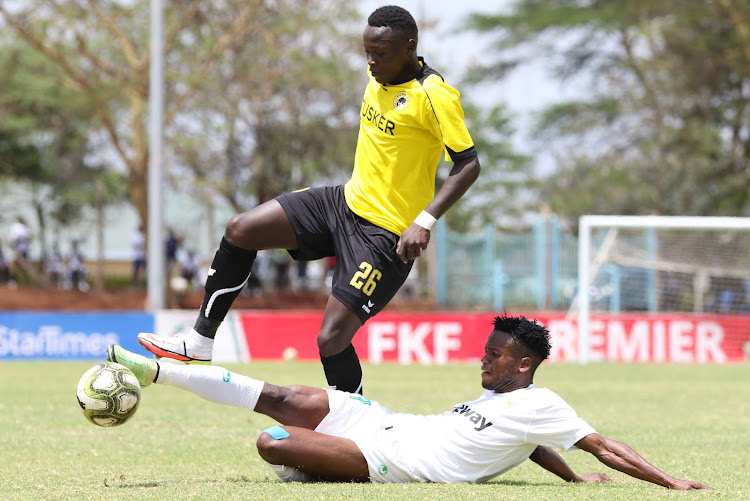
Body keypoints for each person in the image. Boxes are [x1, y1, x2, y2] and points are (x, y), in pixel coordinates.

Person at [137, 5, 481, 394]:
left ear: (409, 48)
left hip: (384, 235)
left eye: (380, 53)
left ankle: (359, 432)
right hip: (343, 203)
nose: (371, 61)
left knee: (330, 340)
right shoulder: (378, 77)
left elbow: (468, 164)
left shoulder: (433, 95)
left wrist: (425, 220)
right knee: (241, 229)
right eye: (366, 51)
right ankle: (199, 343)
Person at [107, 314, 709, 488]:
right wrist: (573, 479)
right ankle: (157, 370)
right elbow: (529, 448)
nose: (484, 359)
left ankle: (312, 462)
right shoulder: (515, 407)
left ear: (524, 364)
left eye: (496, 355)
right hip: (384, 421)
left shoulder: (542, 401)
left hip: (389, 463)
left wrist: (672, 484)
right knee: (282, 395)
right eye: (486, 350)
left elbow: (606, 447)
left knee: (271, 443)